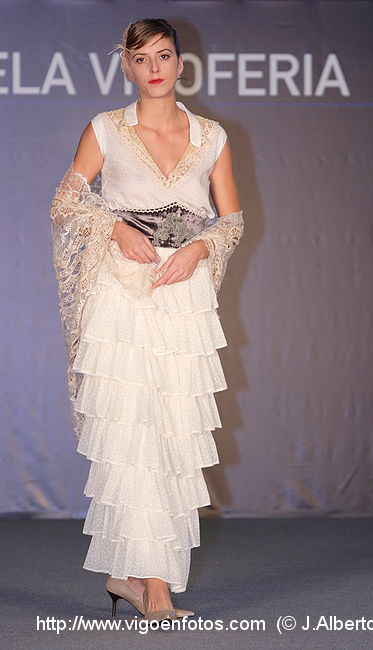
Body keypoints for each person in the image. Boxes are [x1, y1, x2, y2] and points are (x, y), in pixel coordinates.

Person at [50, 18, 244, 623]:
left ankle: (133, 576)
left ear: (180, 64)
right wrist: (114, 227)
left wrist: (200, 247)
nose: (154, 68)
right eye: (141, 58)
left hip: (183, 292)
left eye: (163, 56)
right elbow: (66, 200)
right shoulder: (106, 128)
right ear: (127, 67)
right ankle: (152, 584)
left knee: (175, 433)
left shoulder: (211, 136)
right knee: (132, 431)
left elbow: (232, 220)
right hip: (123, 291)